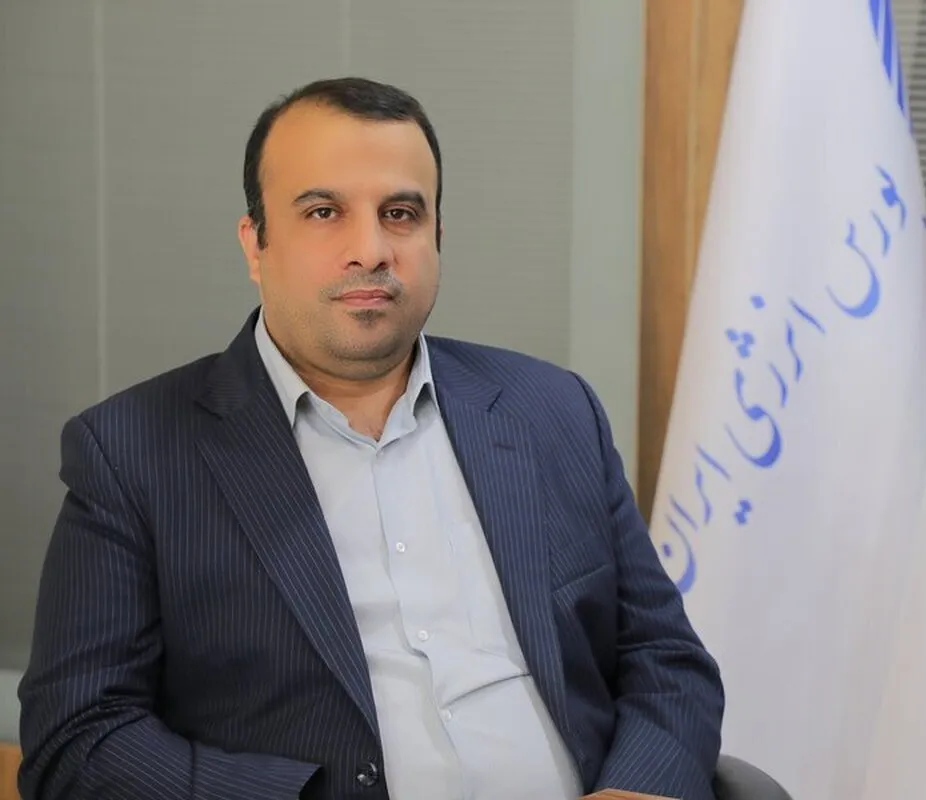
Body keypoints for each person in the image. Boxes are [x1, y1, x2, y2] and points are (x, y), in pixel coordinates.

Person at [16, 77, 724, 800]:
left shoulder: (552, 410)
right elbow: (79, 739)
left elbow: (665, 660)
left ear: (437, 238)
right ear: (255, 244)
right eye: (324, 212)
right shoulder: (133, 452)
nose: (370, 249)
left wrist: (638, 791)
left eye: (401, 213)